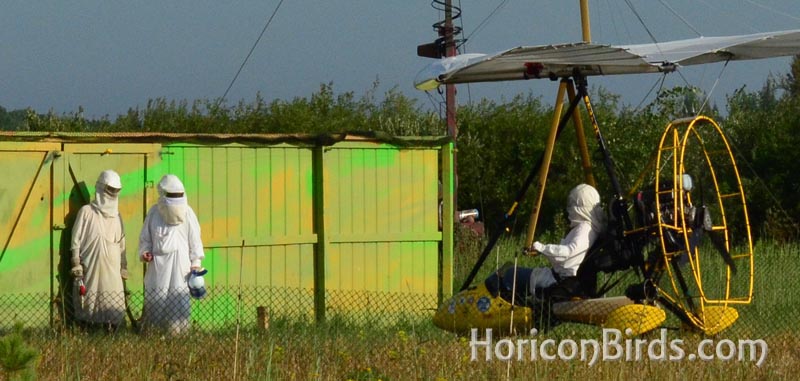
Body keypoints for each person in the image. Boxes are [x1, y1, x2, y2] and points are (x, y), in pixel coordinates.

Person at [139, 174, 205, 334]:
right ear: (162, 196)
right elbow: (145, 239)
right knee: (156, 303)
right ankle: (153, 336)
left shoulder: (188, 214)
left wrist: (196, 265)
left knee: (179, 305)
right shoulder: (154, 213)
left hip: (181, 270)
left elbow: (195, 242)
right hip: (158, 270)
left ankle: (178, 339)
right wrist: (145, 252)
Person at [70, 169, 128, 330]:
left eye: (116, 191)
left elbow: (122, 243)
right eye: (110, 190)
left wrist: (123, 266)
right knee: (89, 299)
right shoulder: (86, 212)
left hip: (113, 270)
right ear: (101, 188)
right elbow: (76, 240)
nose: (113, 194)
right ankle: (88, 329)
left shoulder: (117, 216)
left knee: (113, 300)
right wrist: (76, 262)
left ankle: (112, 330)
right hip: (91, 267)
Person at [528, 183, 605, 293]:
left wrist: (541, 248)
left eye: (573, 204)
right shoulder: (589, 228)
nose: (569, 209)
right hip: (560, 278)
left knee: (509, 275)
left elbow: (568, 254)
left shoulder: (585, 230)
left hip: (559, 281)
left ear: (581, 206)